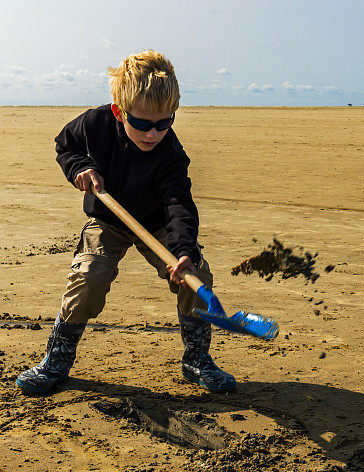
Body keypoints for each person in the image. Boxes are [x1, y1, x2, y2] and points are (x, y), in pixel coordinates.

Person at [16, 50, 235, 395]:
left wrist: (183, 252)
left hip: (157, 224)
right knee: (88, 278)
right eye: (143, 124)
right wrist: (79, 168)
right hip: (108, 220)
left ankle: (197, 359)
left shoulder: (171, 156)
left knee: (196, 278)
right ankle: (56, 361)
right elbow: (66, 145)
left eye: (165, 123)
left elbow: (178, 205)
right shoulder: (94, 123)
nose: (153, 134)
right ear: (119, 112)